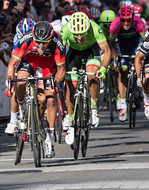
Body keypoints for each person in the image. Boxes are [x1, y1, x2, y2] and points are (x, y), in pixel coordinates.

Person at [6, 21, 66, 158]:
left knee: (49, 99)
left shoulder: (57, 43)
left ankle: (49, 139)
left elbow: (61, 69)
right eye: (37, 42)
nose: (40, 45)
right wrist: (10, 83)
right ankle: (22, 110)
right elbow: (12, 64)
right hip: (30, 61)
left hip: (48, 66)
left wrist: (55, 82)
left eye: (44, 43)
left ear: (50, 39)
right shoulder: (26, 39)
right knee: (20, 81)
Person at [61, 12, 111, 145]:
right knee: (71, 85)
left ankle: (94, 108)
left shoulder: (95, 28)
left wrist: (103, 69)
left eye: (82, 34)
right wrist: (60, 70)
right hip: (74, 54)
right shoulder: (65, 30)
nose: (79, 38)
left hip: (91, 51)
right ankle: (71, 120)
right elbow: (58, 52)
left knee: (92, 75)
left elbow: (106, 51)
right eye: (76, 35)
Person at [107, 5, 146, 122]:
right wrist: (115, 58)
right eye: (123, 20)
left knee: (138, 60)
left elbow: (145, 41)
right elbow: (112, 44)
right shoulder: (115, 25)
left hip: (136, 42)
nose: (126, 23)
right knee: (122, 70)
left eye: (128, 20)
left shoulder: (138, 22)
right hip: (121, 45)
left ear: (133, 18)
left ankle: (138, 84)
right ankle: (123, 105)